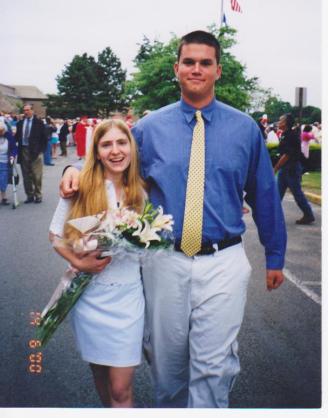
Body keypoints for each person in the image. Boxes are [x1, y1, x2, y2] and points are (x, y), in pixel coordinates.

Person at [60, 30, 286, 408]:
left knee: (214, 366)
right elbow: (111, 162)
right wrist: (72, 168)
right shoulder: (149, 129)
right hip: (165, 260)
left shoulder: (245, 129)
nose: (196, 69)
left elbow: (264, 195)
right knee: (168, 365)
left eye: (205, 63)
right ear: (176, 69)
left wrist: (275, 255)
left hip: (223, 261)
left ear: (218, 70)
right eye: (189, 62)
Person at [50, 119, 146, 407]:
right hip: (89, 296)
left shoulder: (141, 190)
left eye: (121, 142)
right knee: (101, 374)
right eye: (106, 144)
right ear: (97, 150)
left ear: (131, 147)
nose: (115, 151)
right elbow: (55, 235)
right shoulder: (83, 186)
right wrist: (80, 264)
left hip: (128, 298)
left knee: (120, 388)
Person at [274, 114, 315, 225]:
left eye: (280, 120)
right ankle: (273, 216)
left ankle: (308, 215)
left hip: (291, 169)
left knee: (297, 193)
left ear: (286, 123)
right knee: (277, 194)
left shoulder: (290, 136)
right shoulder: (286, 134)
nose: (278, 122)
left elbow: (287, 155)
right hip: (286, 169)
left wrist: (276, 168)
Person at [15, 104, 47, 203]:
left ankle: (38, 195)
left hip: (36, 151)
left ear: (32, 111)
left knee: (37, 175)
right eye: (24, 110)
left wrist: (41, 150)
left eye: (28, 110)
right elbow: (17, 137)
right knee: (26, 175)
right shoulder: (20, 123)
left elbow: (44, 138)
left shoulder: (39, 123)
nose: (26, 112)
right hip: (23, 150)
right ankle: (29, 195)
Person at [0, 122, 17, 205]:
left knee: (3, 180)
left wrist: (12, 156)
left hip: (5, 162)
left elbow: (14, 148)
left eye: (1, 131)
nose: (0, 133)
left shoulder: (9, 136)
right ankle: (3, 197)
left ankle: (3, 196)